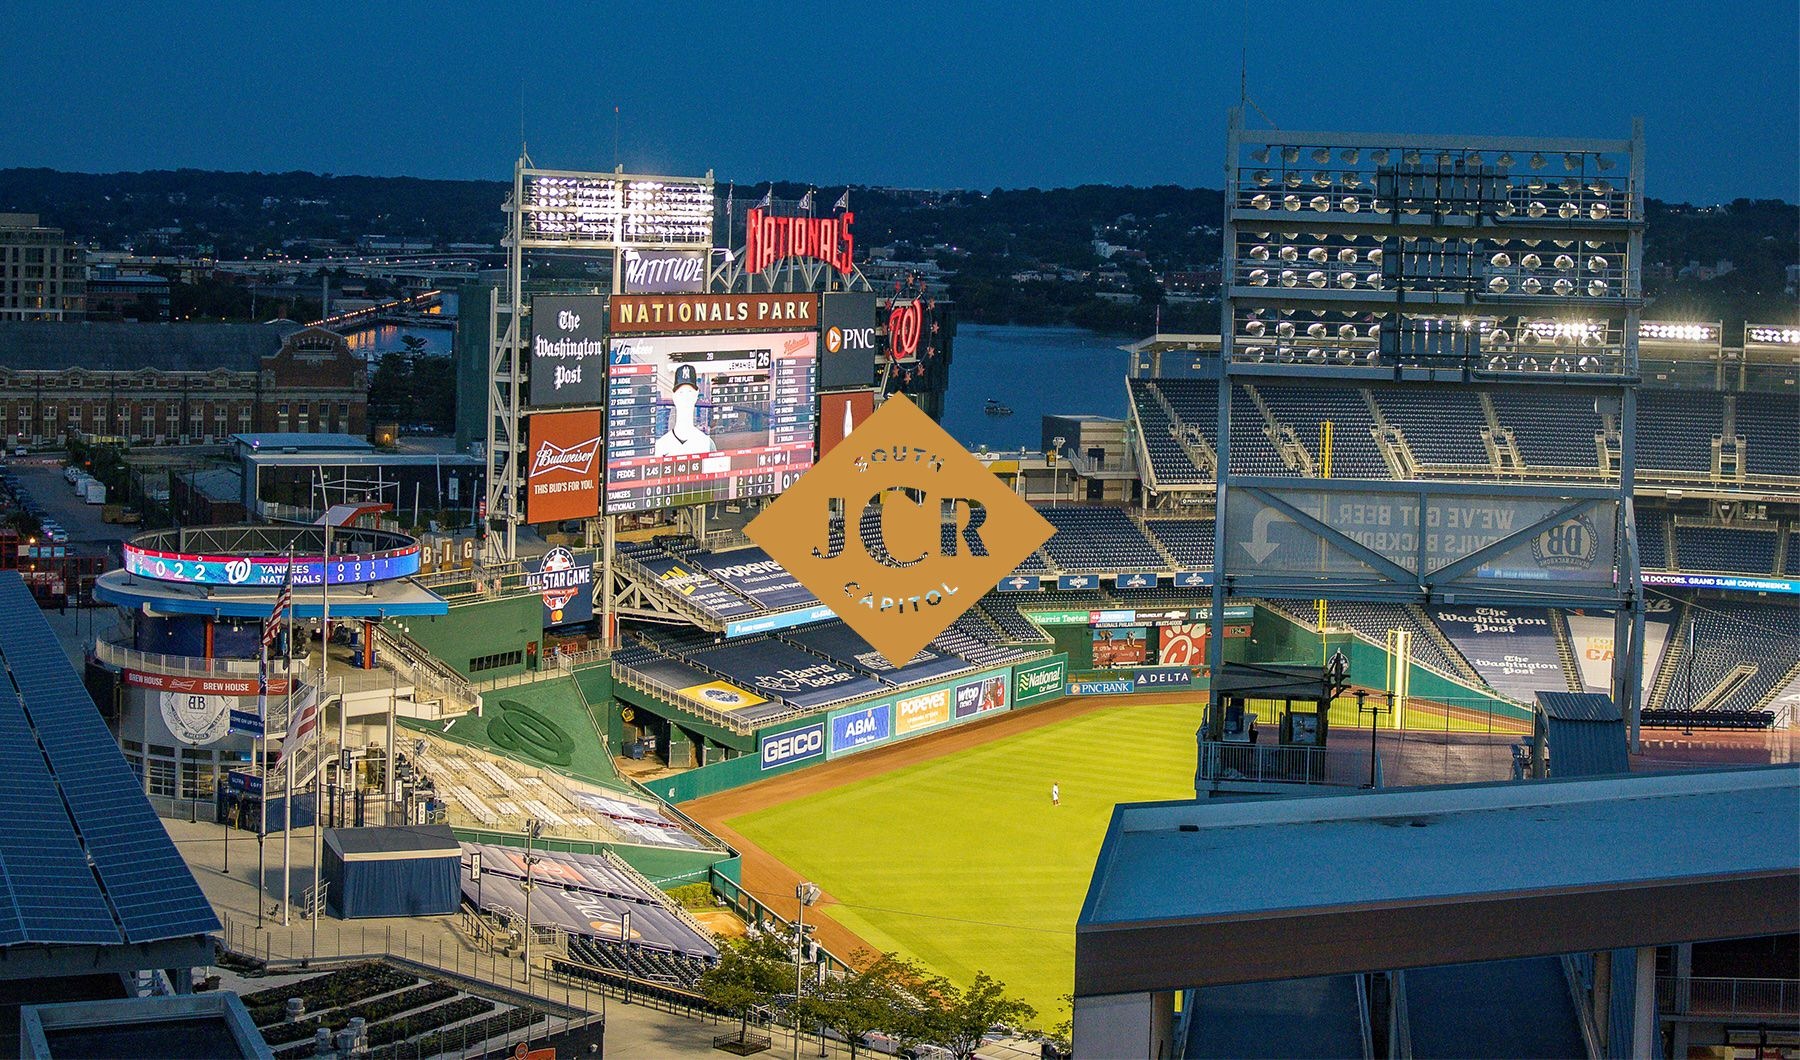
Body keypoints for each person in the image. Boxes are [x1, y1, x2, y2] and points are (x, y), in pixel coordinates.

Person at [653, 363, 716, 457]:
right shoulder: (661, 445)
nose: (685, 397)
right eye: (681, 392)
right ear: (674, 396)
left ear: (696, 395)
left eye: (689, 392)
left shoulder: (707, 444)